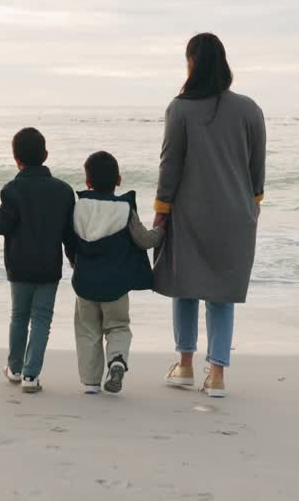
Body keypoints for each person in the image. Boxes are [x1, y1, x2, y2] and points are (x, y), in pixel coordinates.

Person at [153, 33, 266, 399]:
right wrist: (254, 204)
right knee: (222, 293)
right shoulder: (250, 109)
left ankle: (185, 365)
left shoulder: (180, 108)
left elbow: (170, 165)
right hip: (236, 215)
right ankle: (216, 374)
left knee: (184, 288)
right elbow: (257, 168)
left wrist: (160, 213)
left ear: (192, 63)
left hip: (189, 214)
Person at [0, 127, 77, 394]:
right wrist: (74, 259)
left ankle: (14, 369)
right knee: (42, 319)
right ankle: (31, 375)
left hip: (19, 267)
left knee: (19, 317)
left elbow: (0, 225)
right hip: (49, 267)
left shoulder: (12, 190)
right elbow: (69, 234)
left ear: (16, 159)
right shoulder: (64, 191)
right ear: (46, 154)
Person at [70, 151, 164, 395]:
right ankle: (117, 361)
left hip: (85, 285)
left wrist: (73, 261)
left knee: (88, 330)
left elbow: (70, 241)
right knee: (118, 326)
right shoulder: (125, 210)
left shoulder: (79, 208)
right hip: (116, 286)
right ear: (119, 180)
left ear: (88, 182)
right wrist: (161, 229)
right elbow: (144, 241)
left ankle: (91, 382)